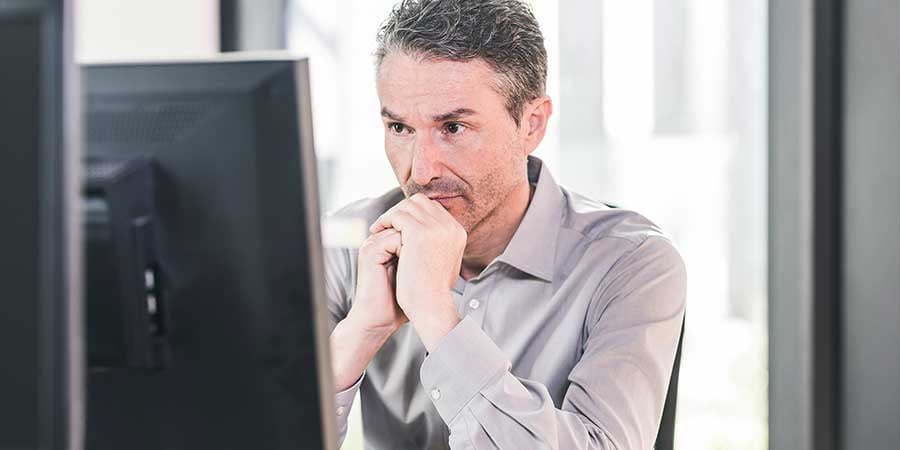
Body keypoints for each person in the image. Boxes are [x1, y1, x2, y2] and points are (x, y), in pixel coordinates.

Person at [324, 0, 686, 448]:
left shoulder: (630, 264)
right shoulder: (344, 246)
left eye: (453, 128)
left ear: (532, 124)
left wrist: (439, 319)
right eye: (400, 128)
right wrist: (361, 334)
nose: (419, 171)